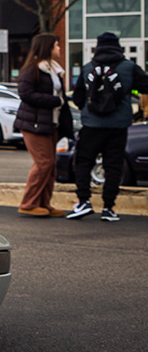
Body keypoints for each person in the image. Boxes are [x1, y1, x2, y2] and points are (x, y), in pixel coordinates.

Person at [67, 32, 148, 222]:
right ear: (118, 46)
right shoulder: (129, 67)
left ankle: (84, 201)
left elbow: (78, 98)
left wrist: (90, 109)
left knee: (84, 161)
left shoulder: (88, 68)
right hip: (118, 126)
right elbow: (145, 86)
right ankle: (108, 207)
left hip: (91, 125)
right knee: (113, 165)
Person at [13, 33, 68, 218]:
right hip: (33, 123)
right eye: (56, 45)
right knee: (44, 163)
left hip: (50, 122)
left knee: (51, 165)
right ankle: (28, 203)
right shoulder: (32, 69)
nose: (59, 48)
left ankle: (44, 203)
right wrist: (55, 101)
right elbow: (25, 94)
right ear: (47, 47)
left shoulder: (53, 69)